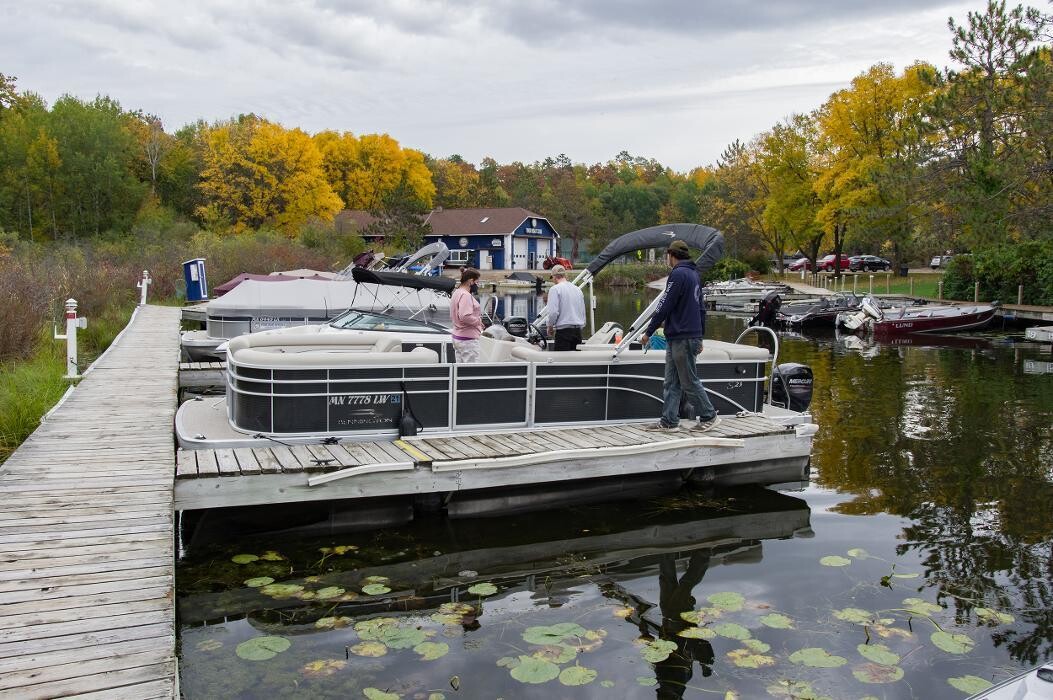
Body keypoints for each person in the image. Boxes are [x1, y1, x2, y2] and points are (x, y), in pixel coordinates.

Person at [640, 240, 720, 432]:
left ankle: (709, 416)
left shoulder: (677, 274)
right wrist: (700, 336)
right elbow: (701, 308)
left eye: (667, 255)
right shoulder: (694, 274)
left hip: (682, 337)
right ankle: (669, 421)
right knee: (671, 382)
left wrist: (649, 332)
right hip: (683, 336)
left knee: (688, 381)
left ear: (671, 255)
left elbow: (664, 305)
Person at [543, 264, 586, 351]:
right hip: (578, 332)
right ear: (564, 275)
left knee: (560, 358)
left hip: (563, 333)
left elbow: (553, 313)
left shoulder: (555, 289)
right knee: (575, 357)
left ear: (554, 277)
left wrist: (550, 326)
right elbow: (583, 312)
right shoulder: (578, 289)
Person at [451, 267, 484, 363]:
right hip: (467, 340)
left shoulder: (457, 292)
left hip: (458, 336)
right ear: (471, 281)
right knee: (471, 370)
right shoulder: (465, 295)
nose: (477, 285)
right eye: (477, 282)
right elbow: (465, 316)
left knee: (461, 369)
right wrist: (478, 321)